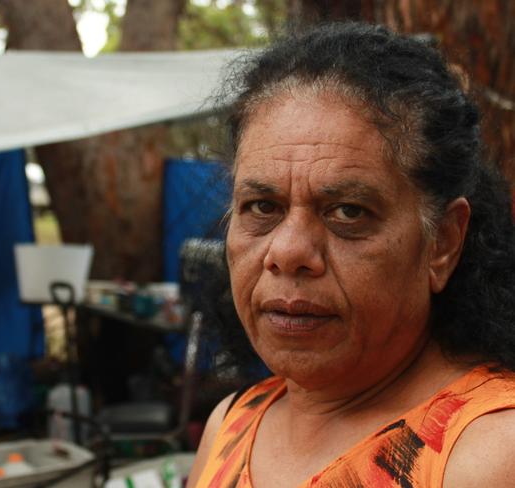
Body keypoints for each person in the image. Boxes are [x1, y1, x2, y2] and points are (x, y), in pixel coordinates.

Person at [187, 21, 515, 488]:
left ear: (442, 242)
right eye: (262, 207)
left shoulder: (487, 453)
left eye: (348, 211)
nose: (288, 252)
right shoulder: (233, 425)